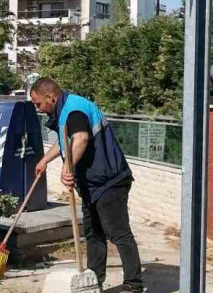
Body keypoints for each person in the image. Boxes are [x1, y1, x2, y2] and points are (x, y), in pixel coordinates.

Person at [30, 78, 144, 292]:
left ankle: (133, 284)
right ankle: (95, 280)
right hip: (92, 184)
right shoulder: (67, 109)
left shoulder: (74, 110)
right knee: (93, 233)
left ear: (50, 97)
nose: (38, 108)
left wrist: (67, 169)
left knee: (118, 232)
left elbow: (80, 138)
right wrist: (45, 160)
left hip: (109, 180)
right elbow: (67, 140)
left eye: (38, 104)